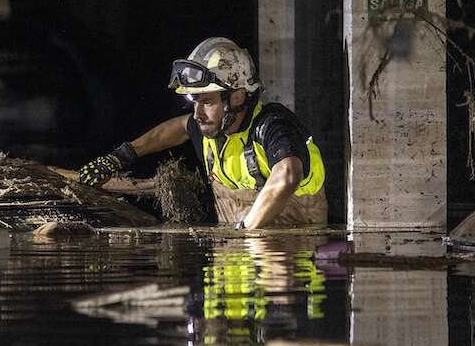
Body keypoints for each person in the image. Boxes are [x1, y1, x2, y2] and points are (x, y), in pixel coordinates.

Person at [78, 37, 327, 228]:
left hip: (287, 265)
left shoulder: (273, 126)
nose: (197, 113)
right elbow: (175, 129)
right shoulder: (211, 130)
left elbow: (287, 175)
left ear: (237, 96)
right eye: (194, 102)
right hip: (231, 268)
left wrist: (246, 229)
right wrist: (121, 156)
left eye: (207, 102)